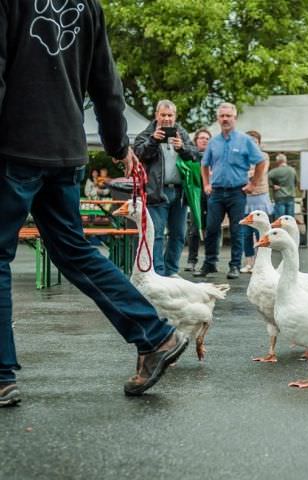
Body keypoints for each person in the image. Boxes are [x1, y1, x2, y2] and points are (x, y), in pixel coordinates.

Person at [0, 0, 188, 406]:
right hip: (66, 150)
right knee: (74, 251)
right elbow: (107, 83)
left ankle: (0, 376)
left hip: (14, 150)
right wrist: (118, 144)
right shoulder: (87, 6)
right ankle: (155, 335)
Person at [194, 103, 265, 279]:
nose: (225, 119)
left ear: (235, 118)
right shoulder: (213, 142)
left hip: (236, 192)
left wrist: (253, 184)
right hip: (216, 192)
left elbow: (261, 161)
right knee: (211, 228)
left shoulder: (245, 140)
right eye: (222, 116)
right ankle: (209, 263)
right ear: (218, 118)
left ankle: (234, 265)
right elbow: (204, 165)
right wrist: (206, 184)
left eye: (228, 116)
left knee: (236, 230)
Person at [134, 99, 197, 277]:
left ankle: (171, 270)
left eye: (170, 115)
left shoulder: (181, 133)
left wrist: (182, 148)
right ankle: (158, 272)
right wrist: (154, 140)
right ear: (156, 115)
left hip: (180, 192)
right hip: (156, 192)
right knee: (157, 235)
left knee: (178, 234)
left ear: (175, 116)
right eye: (163, 115)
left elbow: (195, 155)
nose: (167, 119)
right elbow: (139, 154)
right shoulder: (146, 134)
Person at [240, 130, 272, 273]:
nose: (252, 143)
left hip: (260, 196)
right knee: (246, 233)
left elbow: (261, 171)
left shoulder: (264, 156)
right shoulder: (242, 156)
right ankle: (249, 263)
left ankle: (262, 264)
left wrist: (243, 174)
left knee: (262, 233)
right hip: (245, 197)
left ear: (259, 143)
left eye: (255, 141)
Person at [185, 128, 211, 272]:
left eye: (207, 138)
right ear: (196, 141)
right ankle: (191, 260)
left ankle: (209, 261)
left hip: (211, 195)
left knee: (211, 229)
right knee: (194, 229)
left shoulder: (214, 155)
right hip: (196, 195)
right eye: (201, 138)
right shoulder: (190, 155)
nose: (204, 140)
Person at [269, 153, 297, 219]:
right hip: (291, 195)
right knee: (290, 219)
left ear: (277, 161)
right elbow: (295, 182)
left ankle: (279, 229)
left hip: (279, 196)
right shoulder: (292, 170)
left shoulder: (274, 171)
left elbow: (265, 178)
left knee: (280, 219)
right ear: (285, 160)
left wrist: (272, 186)